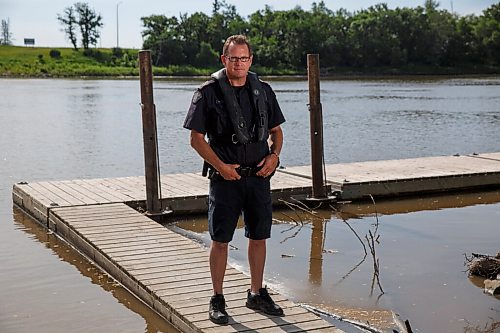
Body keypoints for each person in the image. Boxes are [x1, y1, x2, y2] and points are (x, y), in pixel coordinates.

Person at [183, 34, 285, 325]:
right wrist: (221, 166)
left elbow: (276, 132)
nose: (238, 63)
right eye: (233, 58)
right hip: (224, 178)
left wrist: (274, 156)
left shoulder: (263, 90)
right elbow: (196, 139)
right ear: (223, 59)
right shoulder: (207, 92)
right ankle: (217, 298)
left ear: (250, 60)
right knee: (220, 239)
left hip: (259, 176)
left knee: (259, 236)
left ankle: (256, 293)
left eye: (244, 58)